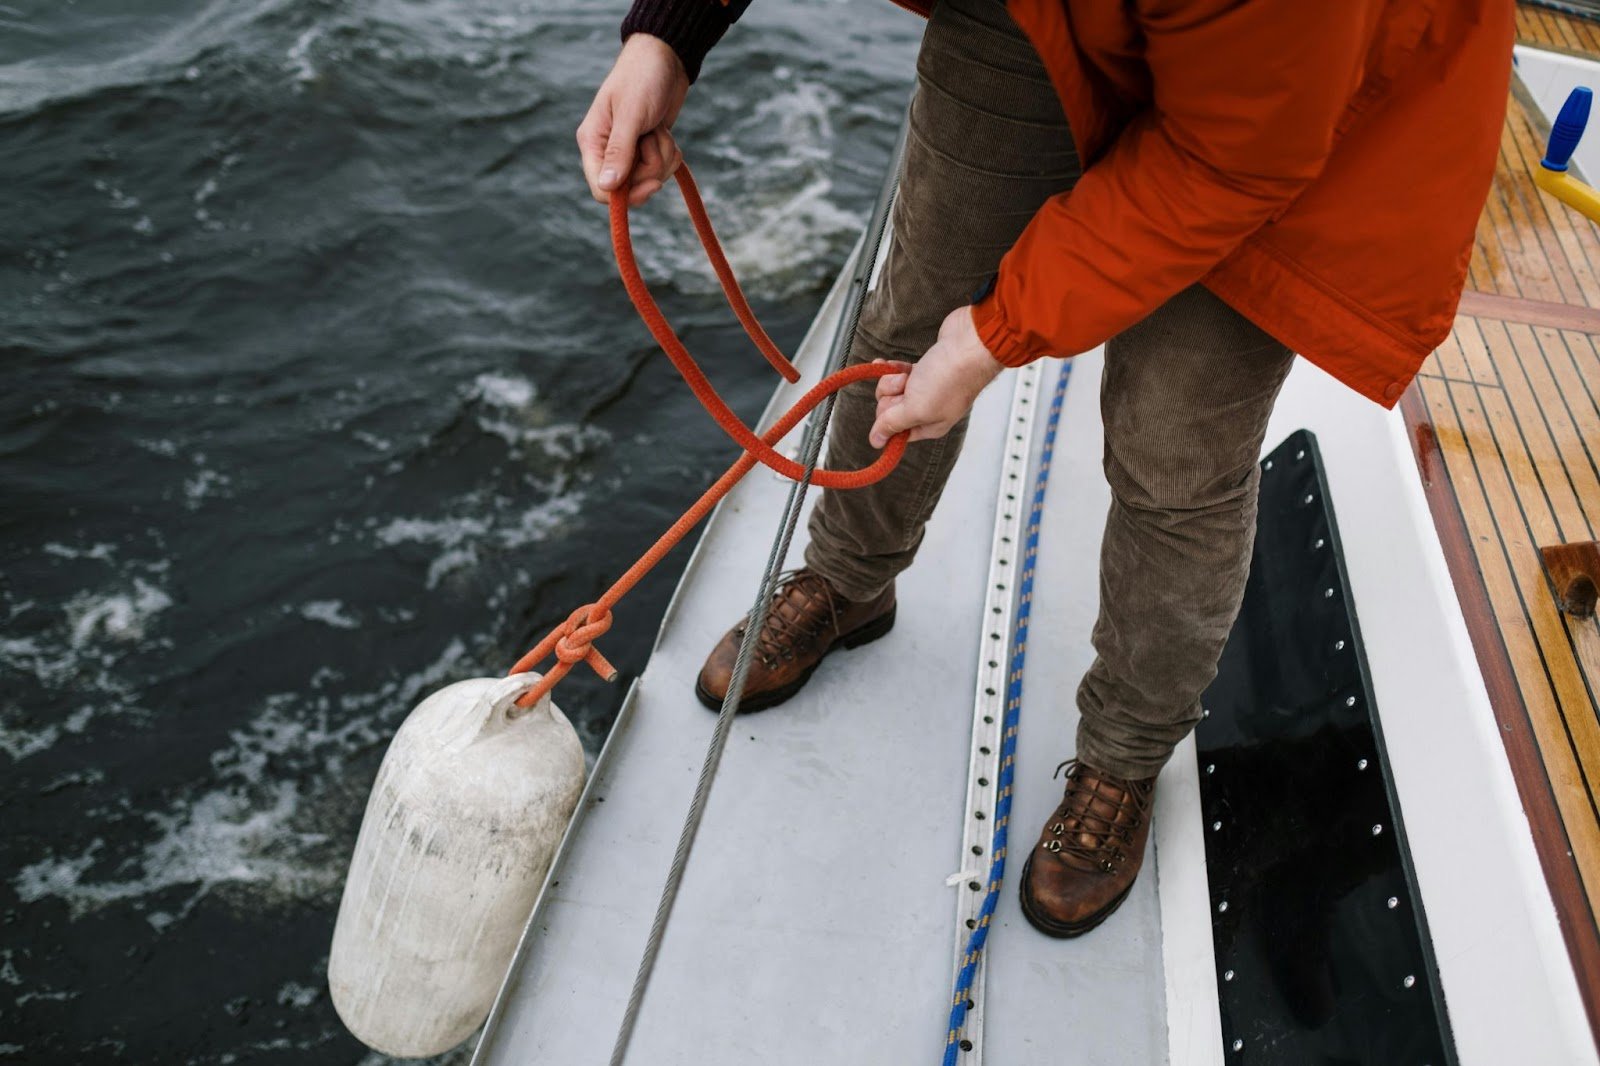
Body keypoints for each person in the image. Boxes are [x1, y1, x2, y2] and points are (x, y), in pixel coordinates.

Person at [576, 0, 1511, 938]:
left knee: (1176, 452)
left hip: (1298, 85)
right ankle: (849, 581)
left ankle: (1124, 756)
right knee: (907, 319)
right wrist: (671, 33)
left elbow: (1233, 155)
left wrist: (994, 336)